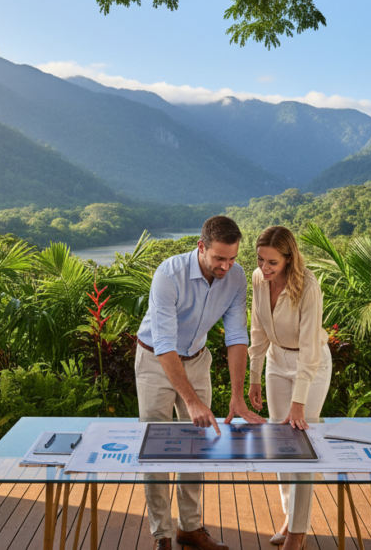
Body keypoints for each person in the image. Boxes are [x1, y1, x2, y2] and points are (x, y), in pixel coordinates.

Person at [135, 215, 265, 550]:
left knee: (198, 445)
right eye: (220, 258)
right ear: (201, 246)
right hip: (155, 361)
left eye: (233, 258)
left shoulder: (235, 278)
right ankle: (162, 534)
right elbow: (164, 343)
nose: (226, 266)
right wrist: (191, 401)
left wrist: (237, 396)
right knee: (157, 448)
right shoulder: (169, 273)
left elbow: (236, 336)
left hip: (197, 359)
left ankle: (189, 528)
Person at [247, 225, 332, 550]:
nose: (265, 269)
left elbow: (311, 349)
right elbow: (257, 329)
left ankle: (298, 532)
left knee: (301, 444)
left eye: (272, 263)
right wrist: (255, 376)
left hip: (310, 365)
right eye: (260, 260)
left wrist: (299, 402)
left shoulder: (307, 286)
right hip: (276, 361)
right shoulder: (258, 279)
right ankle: (290, 517)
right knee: (280, 443)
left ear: (288, 258)